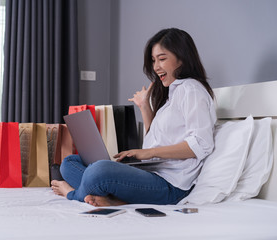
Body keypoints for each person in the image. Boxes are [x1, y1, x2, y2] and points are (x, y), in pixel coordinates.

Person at [51, 28, 217, 207]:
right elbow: (156, 138)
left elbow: (201, 144)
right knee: (69, 162)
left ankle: (73, 194)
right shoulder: (172, 94)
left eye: (162, 59)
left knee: (98, 171)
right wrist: (145, 107)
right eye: (154, 60)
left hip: (172, 185)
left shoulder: (191, 89)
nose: (156, 67)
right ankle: (113, 198)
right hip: (153, 172)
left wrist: (148, 153)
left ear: (182, 57)